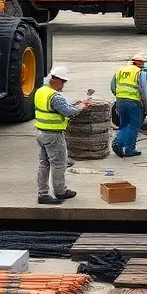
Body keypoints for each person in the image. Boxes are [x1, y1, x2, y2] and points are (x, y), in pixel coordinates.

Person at [34, 65, 85, 205]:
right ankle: (60, 191)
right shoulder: (54, 96)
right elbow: (68, 112)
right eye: (62, 82)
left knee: (44, 164)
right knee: (59, 164)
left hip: (40, 132)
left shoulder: (41, 91)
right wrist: (82, 107)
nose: (63, 85)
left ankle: (42, 194)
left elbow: (58, 108)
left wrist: (75, 104)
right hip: (53, 135)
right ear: (55, 79)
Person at [111, 54, 147, 158]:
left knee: (124, 124)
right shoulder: (139, 73)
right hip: (133, 102)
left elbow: (113, 86)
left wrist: (119, 96)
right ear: (139, 63)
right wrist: (145, 105)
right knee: (134, 125)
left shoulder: (120, 70)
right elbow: (143, 90)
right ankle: (128, 148)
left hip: (120, 101)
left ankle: (119, 142)